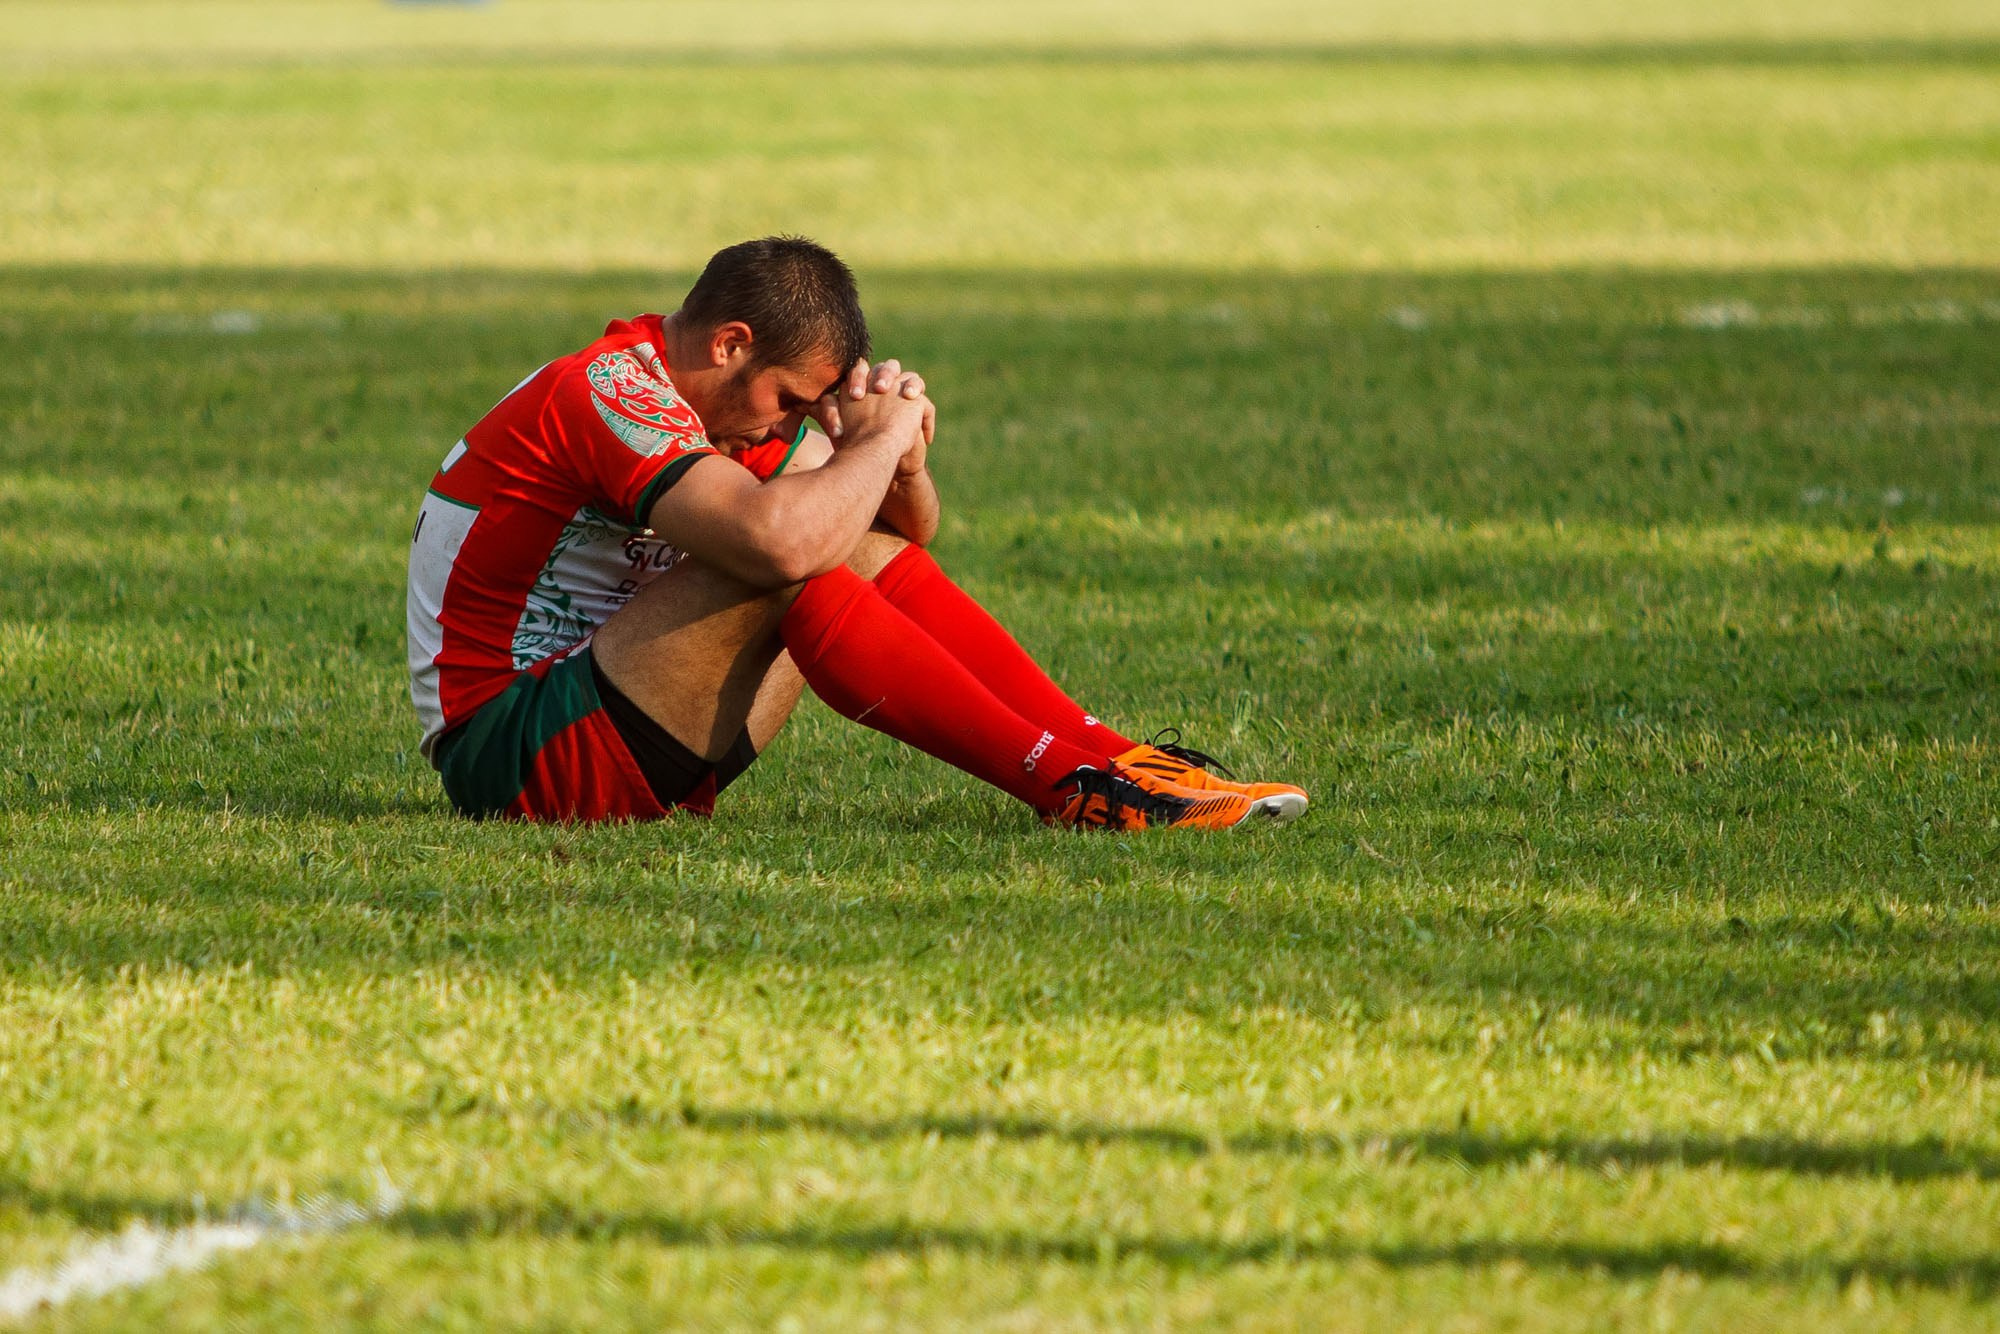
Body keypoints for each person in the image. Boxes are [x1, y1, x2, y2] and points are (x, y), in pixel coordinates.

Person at [405, 236, 1307, 829]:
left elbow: (901, 542)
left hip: (619, 715)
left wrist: (900, 463)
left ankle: (1112, 760)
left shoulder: (723, 409)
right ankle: (1067, 789)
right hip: (511, 749)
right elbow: (783, 548)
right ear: (728, 344)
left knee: (839, 542)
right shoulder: (608, 388)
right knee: (790, 555)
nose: (782, 424)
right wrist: (867, 448)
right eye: (788, 400)